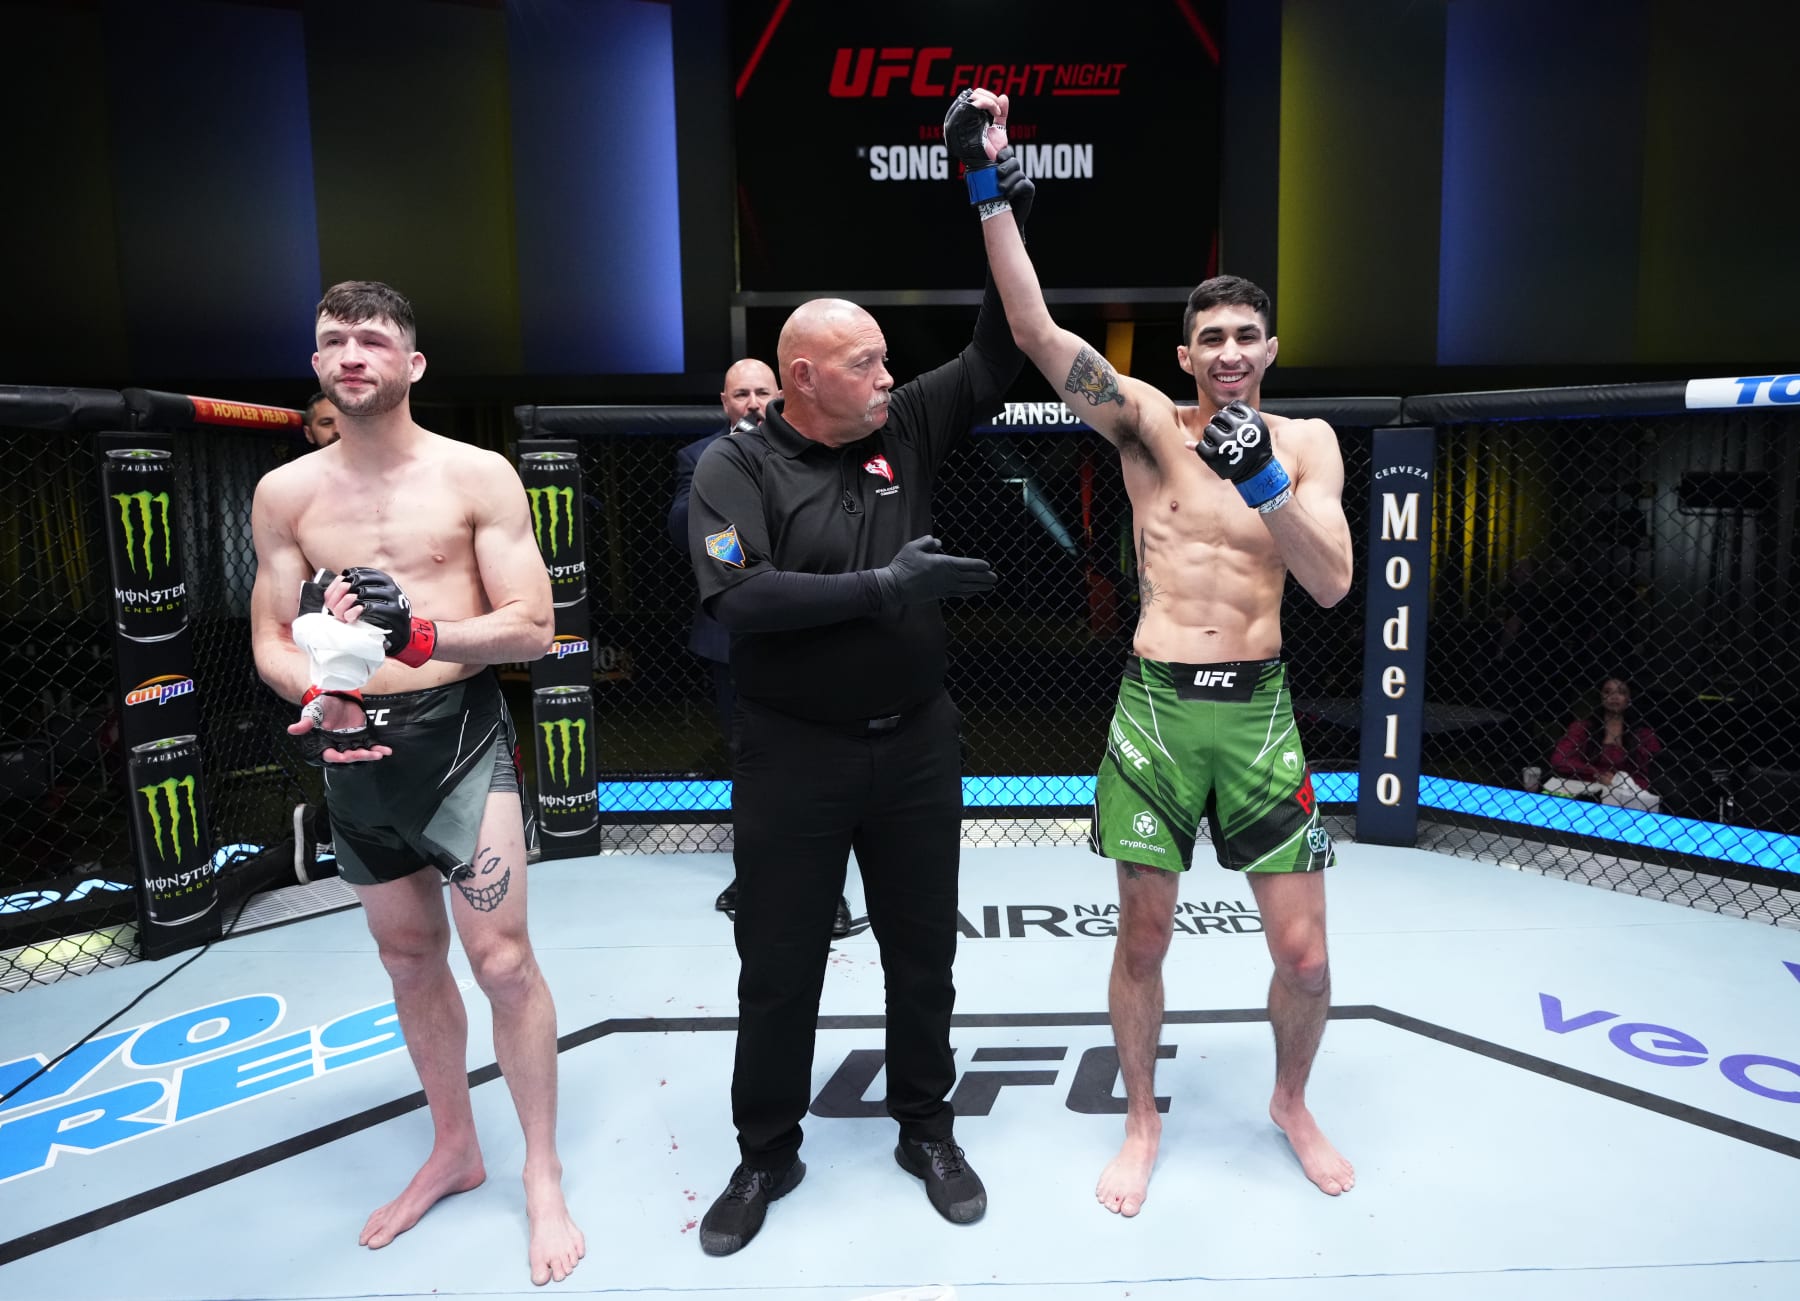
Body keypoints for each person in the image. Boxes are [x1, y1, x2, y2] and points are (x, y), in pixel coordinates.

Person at [966, 86, 1357, 1216]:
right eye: (1211, 338)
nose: (1229, 352)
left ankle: (1291, 1100)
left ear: (1271, 348)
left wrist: (1262, 477)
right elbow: (1037, 332)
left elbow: (1332, 579)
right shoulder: (1142, 423)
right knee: (1143, 939)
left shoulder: (1308, 442)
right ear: (1186, 353)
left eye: (1246, 336)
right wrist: (987, 188)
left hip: (1261, 710)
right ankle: (1141, 1118)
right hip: (1156, 709)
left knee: (1305, 957)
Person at [682, 113, 1035, 1257]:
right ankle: (765, 1150)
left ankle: (927, 1126)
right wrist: (887, 586)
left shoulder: (906, 423)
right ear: (801, 377)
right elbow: (740, 598)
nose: (888, 376)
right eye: (865, 363)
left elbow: (999, 348)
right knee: (779, 963)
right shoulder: (734, 464)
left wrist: (994, 198)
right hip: (794, 751)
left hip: (918, 742)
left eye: (887, 360)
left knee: (923, 950)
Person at [249, 281, 584, 1286]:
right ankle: (454, 1146)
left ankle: (541, 1169)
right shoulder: (285, 494)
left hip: (456, 737)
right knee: (405, 957)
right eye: (334, 340)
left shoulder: (476, 474)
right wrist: (322, 693)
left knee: (503, 961)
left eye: (372, 339)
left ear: (412, 363)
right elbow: (270, 636)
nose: (352, 354)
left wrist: (421, 632)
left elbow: (535, 626)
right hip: (353, 746)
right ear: (317, 363)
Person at [669, 360, 852, 936]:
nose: (752, 402)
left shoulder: (813, 449)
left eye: (761, 392)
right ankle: (753, 876)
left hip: (808, 628)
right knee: (750, 760)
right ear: (725, 402)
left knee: (821, 760)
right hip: (737, 636)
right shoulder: (700, 456)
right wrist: (725, 488)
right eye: (741, 394)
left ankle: (828, 890)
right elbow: (688, 531)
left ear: (780, 394)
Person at [1547, 676, 1664, 809]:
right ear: (1601, 697)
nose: (1614, 696)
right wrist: (1598, 774)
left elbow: (1651, 775)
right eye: (1608, 692)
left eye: (1621, 692)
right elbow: (1559, 759)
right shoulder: (1582, 728)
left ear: (1629, 699)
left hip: (1626, 799)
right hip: (1586, 795)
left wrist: (1617, 782)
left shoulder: (1644, 735)